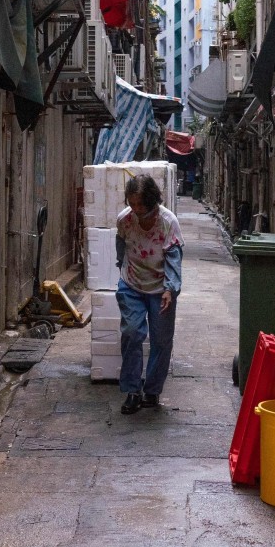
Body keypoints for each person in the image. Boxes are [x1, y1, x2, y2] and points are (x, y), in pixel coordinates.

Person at [115, 174, 184, 414]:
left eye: (140, 205)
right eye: (131, 204)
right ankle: (132, 391)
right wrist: (120, 267)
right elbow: (121, 245)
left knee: (161, 341)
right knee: (132, 333)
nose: (135, 209)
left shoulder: (168, 222)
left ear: (152, 201)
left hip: (160, 288)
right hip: (132, 284)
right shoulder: (124, 220)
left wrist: (170, 289)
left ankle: (152, 391)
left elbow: (174, 258)